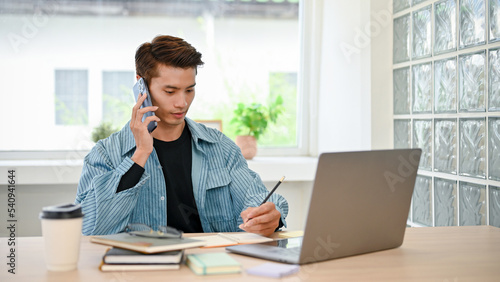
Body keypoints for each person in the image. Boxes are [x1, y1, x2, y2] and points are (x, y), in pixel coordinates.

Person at [75, 35, 288, 236]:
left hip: (209, 268)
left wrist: (271, 215)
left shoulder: (220, 148)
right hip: (143, 272)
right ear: (142, 85)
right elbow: (89, 228)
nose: (182, 103)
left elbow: (255, 198)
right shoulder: (105, 155)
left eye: (189, 90)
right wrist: (140, 155)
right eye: (170, 91)